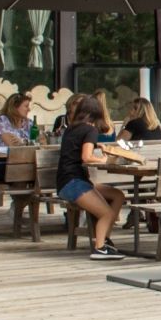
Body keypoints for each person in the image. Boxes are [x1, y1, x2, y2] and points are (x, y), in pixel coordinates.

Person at [57, 91, 140, 259]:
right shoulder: (90, 129)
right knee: (107, 213)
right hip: (74, 182)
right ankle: (99, 248)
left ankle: (105, 239)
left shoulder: (71, 128)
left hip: (66, 181)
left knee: (117, 195)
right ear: (97, 113)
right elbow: (86, 157)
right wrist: (103, 160)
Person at [0, 90, 36, 183]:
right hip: (0, 164)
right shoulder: (3, 121)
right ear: (15, 107)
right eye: (26, 106)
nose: (29, 109)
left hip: (23, 162)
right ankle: (22, 197)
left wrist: (23, 142)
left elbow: (38, 142)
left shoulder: (29, 123)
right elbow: (12, 144)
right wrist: (26, 142)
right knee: (22, 170)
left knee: (39, 169)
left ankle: (25, 197)